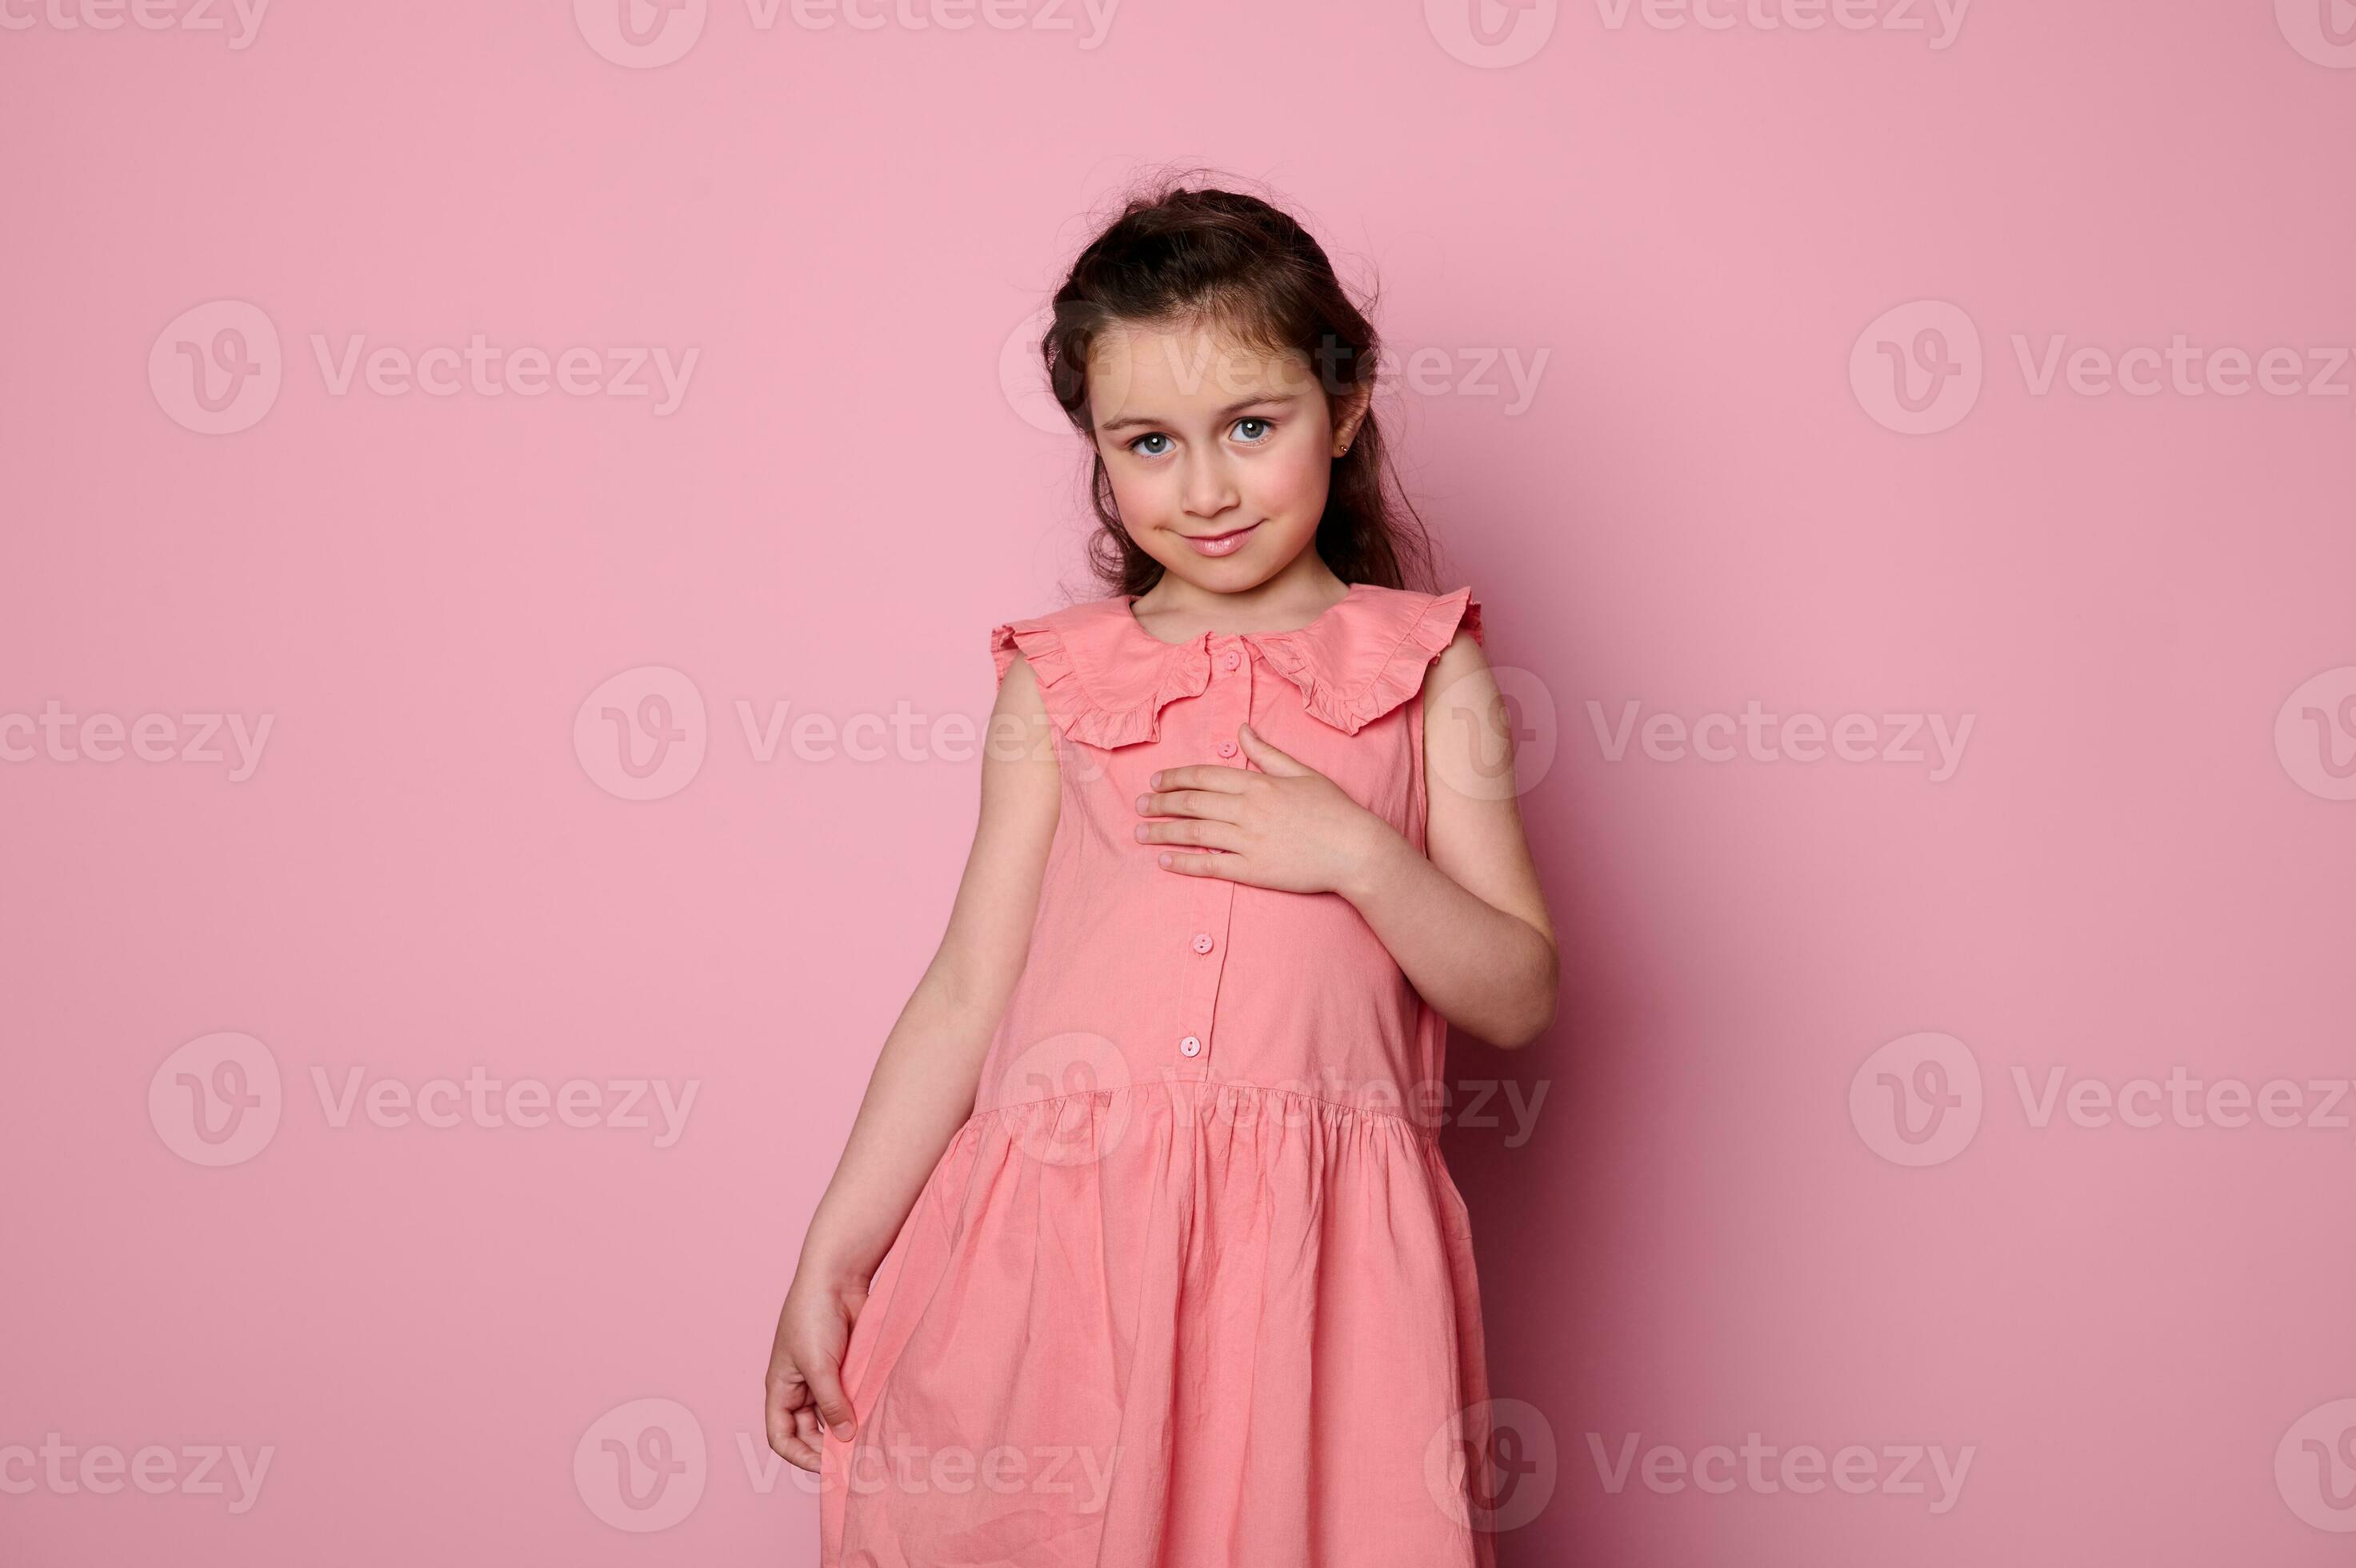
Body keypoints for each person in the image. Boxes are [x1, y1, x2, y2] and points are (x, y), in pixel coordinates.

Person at [765, 177, 1559, 1567]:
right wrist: (834, 1244)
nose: (1202, 488)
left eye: (1251, 428)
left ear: (1346, 406)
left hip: (1318, 1272)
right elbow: (964, 990)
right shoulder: (1059, 679)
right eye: (1149, 442)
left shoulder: (1426, 663)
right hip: (1061, 1249)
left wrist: (1358, 855)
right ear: (1097, 451)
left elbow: (1516, 993)